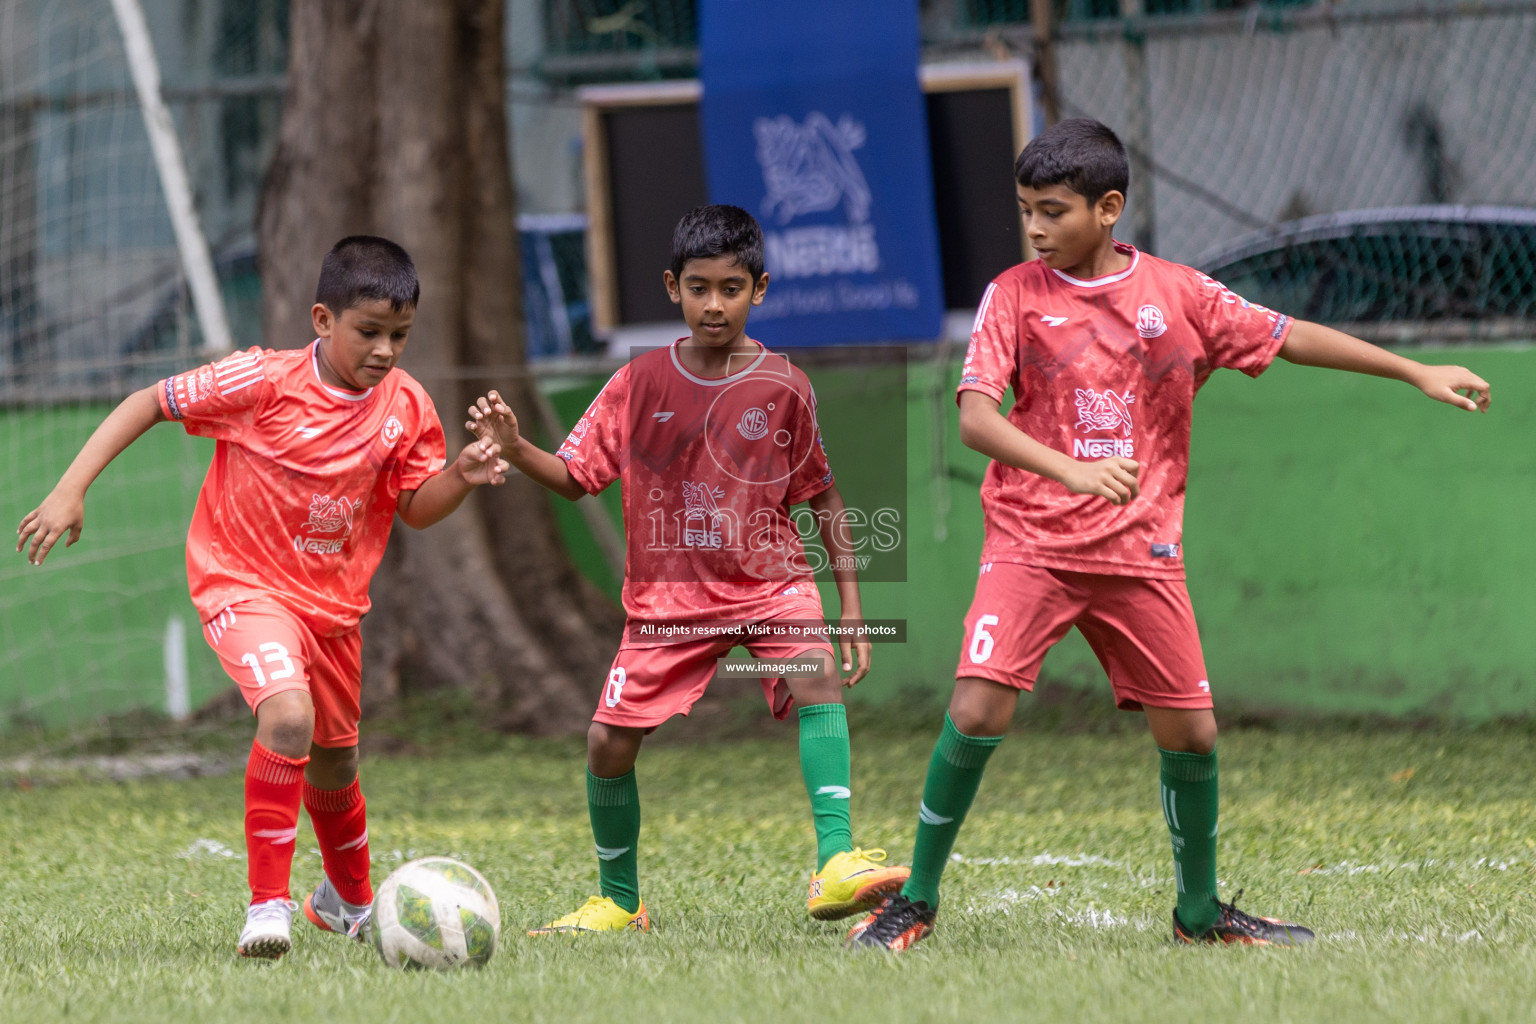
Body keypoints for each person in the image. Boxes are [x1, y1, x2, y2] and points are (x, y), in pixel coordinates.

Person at [847, 119, 1491, 952]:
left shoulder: (1179, 296)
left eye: (1052, 211)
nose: (1035, 229)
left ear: (1108, 208)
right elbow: (974, 420)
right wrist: (1071, 470)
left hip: (1139, 551)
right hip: (1032, 543)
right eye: (1025, 211)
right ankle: (917, 900)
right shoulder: (1013, 295)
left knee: (1190, 733)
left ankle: (1198, 915)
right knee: (977, 705)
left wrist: (1414, 370)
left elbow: (1288, 337)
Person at [16, 236, 512, 959]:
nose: (384, 350)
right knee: (287, 717)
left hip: (334, 611)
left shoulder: (408, 406)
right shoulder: (262, 382)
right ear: (321, 319)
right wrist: (71, 487)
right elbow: (148, 401)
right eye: (368, 332)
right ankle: (267, 907)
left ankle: (345, 900)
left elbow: (415, 505)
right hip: (241, 583)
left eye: (399, 336)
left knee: (336, 761)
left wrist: (463, 473)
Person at [467, 204, 908, 934]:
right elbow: (577, 476)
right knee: (608, 741)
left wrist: (851, 606)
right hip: (669, 599)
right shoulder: (638, 381)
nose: (714, 304)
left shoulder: (785, 384)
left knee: (814, 671)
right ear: (673, 287)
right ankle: (617, 900)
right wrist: (515, 450)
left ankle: (836, 861)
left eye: (731, 288)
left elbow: (823, 496)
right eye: (699, 287)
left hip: (771, 582)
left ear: (758, 289)